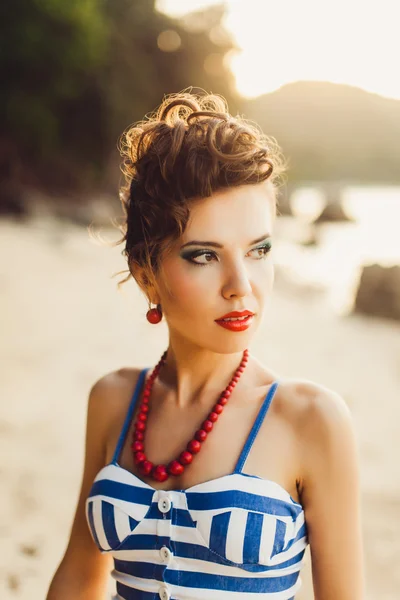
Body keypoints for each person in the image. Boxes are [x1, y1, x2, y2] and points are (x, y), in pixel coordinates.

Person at [46, 90, 365, 599]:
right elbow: (79, 577)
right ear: (147, 275)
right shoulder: (113, 400)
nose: (241, 283)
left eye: (259, 250)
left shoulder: (311, 419)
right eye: (203, 255)